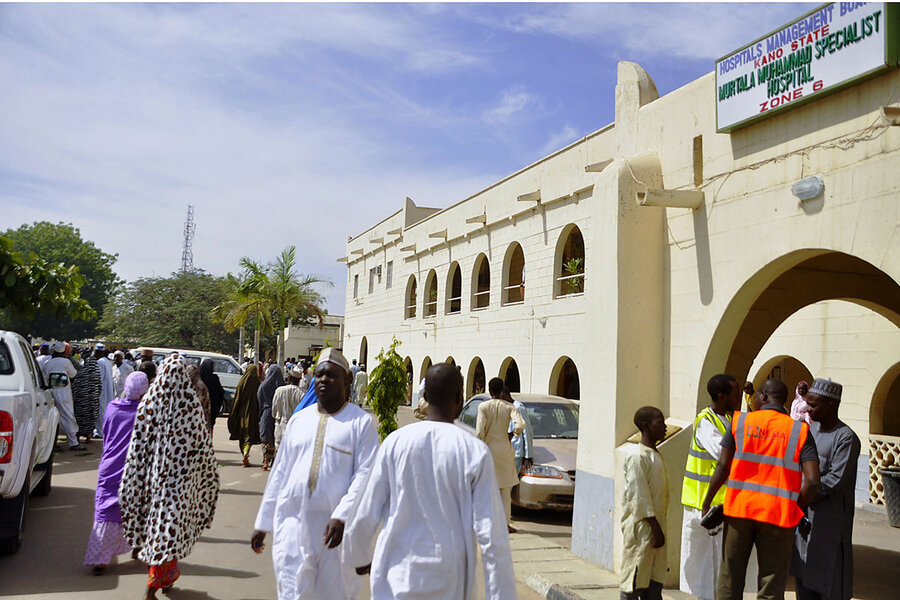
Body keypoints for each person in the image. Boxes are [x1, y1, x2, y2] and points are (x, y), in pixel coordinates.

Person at [343, 362, 517, 600]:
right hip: (449, 581)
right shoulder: (473, 451)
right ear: (459, 398)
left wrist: (358, 554)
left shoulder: (396, 442)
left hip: (396, 577)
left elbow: (367, 507)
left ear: (424, 396)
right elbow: (492, 535)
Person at [251, 348, 378, 600]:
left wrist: (341, 516)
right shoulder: (299, 420)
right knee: (292, 592)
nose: (323, 380)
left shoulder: (361, 423)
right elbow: (280, 472)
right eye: (319, 375)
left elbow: (366, 476)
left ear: (347, 381)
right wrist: (262, 522)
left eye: (331, 375)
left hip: (336, 536)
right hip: (293, 528)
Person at [702, 379, 821, 600]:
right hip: (778, 516)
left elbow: (722, 466)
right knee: (771, 586)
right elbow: (813, 482)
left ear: (764, 396)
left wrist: (706, 503)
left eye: (756, 394)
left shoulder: (740, 422)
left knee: (730, 579)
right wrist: (795, 508)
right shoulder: (799, 430)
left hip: (739, 511)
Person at [120, 355, 219, 600]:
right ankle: (152, 588)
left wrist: (134, 478)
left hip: (153, 482)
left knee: (158, 529)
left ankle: (164, 580)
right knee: (167, 530)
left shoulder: (149, 404)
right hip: (180, 487)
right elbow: (203, 448)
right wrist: (208, 478)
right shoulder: (191, 406)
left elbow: (137, 448)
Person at [791, 379, 860, 600]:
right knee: (804, 579)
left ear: (831, 404)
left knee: (829, 583)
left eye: (813, 405)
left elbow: (835, 479)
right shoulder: (811, 431)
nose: (808, 409)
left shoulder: (846, 438)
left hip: (830, 524)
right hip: (806, 520)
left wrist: (804, 494)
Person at [680, 374, 742, 600]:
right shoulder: (706, 422)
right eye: (734, 393)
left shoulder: (726, 419)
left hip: (720, 505)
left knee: (718, 567)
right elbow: (724, 458)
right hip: (704, 506)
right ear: (721, 396)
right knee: (707, 568)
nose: (739, 397)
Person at [84, 371, 149, 574]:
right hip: (134, 470)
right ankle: (138, 548)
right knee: (135, 509)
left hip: (109, 466)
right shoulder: (146, 412)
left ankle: (100, 559)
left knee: (105, 511)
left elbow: (106, 433)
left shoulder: (112, 407)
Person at [620, 406, 669, 600]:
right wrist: (655, 528)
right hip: (643, 530)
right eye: (660, 422)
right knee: (634, 580)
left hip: (656, 531)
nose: (664, 427)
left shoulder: (655, 455)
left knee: (653, 583)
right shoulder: (637, 457)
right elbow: (638, 496)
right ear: (645, 426)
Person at [476, 377, 525, 532]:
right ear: (502, 391)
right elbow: (521, 424)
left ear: (490, 391)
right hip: (504, 448)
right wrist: (513, 434)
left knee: (486, 486)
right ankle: (505, 524)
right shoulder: (509, 407)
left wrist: (481, 445)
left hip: (488, 448)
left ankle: (486, 521)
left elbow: (478, 431)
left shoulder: (483, 406)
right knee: (504, 488)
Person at [44, 341, 83, 450]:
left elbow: (45, 376)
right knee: (68, 416)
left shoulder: (49, 362)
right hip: (64, 392)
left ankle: (53, 444)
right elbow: (73, 374)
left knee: (52, 418)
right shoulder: (66, 362)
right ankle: (73, 443)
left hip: (51, 392)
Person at [228, 360, 262, 467]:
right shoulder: (258, 384)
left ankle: (244, 453)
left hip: (242, 413)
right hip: (253, 413)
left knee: (242, 434)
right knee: (250, 434)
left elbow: (237, 399)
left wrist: (234, 412)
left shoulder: (241, 383)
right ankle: (247, 452)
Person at [72, 346, 101, 444]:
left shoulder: (81, 372)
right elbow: (99, 387)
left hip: (81, 400)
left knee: (80, 418)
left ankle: (78, 436)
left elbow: (76, 385)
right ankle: (88, 437)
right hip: (92, 401)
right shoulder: (97, 374)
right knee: (91, 418)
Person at [257, 364, 284, 470]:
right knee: (274, 437)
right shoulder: (281, 386)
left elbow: (259, 399)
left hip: (266, 413)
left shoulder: (263, 386)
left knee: (265, 437)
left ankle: (265, 459)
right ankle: (273, 459)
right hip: (278, 415)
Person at [272, 365, 305, 450]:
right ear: (299, 380)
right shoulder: (302, 394)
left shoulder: (279, 391)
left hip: (280, 427)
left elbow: (274, 411)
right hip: (295, 430)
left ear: (289, 377)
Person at [504, 386, 533, 475]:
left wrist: (528, 455)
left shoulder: (518, 407)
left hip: (515, 451)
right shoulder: (505, 408)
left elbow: (527, 431)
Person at [199, 358, 225, 431]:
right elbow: (221, 393)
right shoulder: (214, 379)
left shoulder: (197, 380)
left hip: (199, 411)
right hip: (212, 410)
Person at [95, 344, 115, 437]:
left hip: (102, 390)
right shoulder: (107, 361)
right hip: (108, 390)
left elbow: (99, 378)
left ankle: (100, 432)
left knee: (100, 411)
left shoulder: (100, 362)